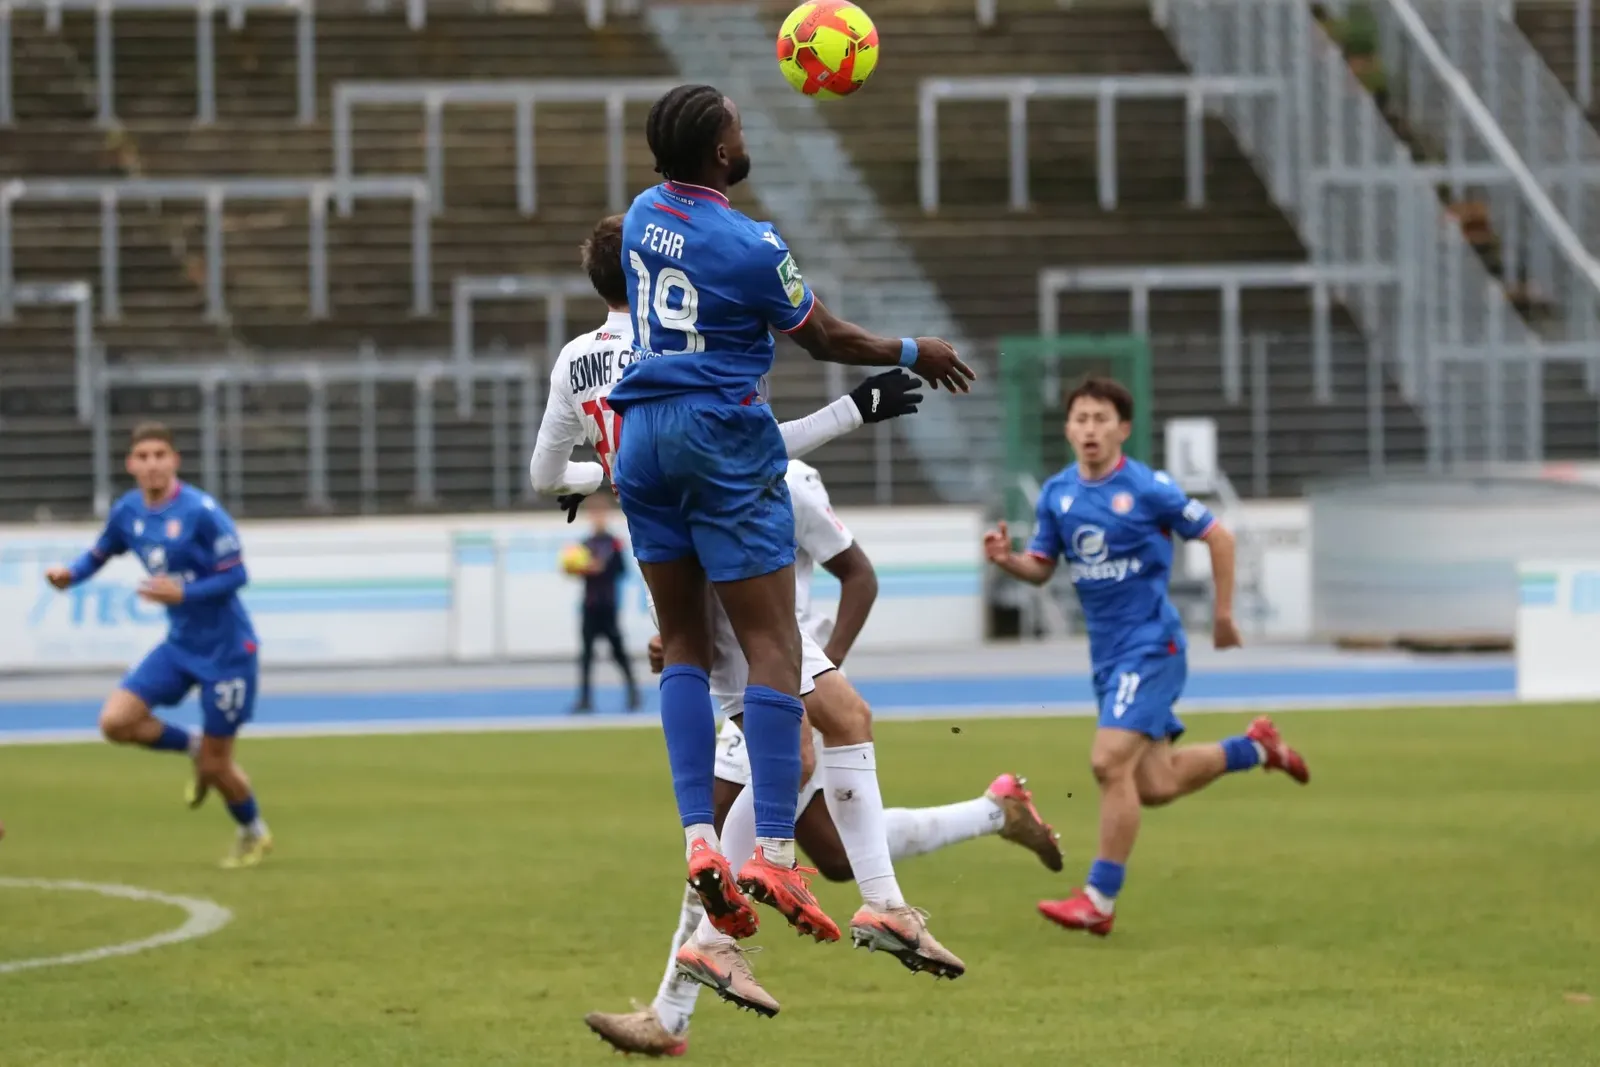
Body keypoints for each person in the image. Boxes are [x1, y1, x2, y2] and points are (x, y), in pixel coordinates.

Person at [597, 84, 975, 951]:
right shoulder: (752, 245)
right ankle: (772, 851)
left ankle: (701, 838)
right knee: (775, 646)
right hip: (720, 440)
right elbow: (826, 337)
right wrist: (913, 350)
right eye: (736, 125)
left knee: (682, 645)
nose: (745, 133)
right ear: (719, 152)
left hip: (641, 437)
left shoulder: (644, 214)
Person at [585, 460, 1064, 1056]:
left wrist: (819, 679)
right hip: (755, 672)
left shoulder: (786, 477)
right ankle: (994, 813)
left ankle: (674, 1009)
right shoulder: (702, 466)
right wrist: (679, 642)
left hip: (783, 671)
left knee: (721, 839)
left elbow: (858, 574)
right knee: (830, 855)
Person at [982, 377, 1308, 937]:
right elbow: (1042, 568)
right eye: (1081, 419)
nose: (1090, 429)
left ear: (1123, 429)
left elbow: (1220, 537)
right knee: (1154, 785)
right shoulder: (1057, 494)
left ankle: (1098, 900)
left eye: (1101, 419)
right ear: (1068, 429)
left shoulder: (1148, 487)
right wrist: (1009, 561)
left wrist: (1224, 616)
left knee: (1109, 763)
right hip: (1108, 658)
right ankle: (1257, 748)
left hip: (1153, 645)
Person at [44, 422, 271, 869]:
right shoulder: (128, 511)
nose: (152, 464)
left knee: (217, 768)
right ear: (131, 464)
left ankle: (253, 832)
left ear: (174, 461)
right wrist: (71, 575)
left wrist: (184, 593)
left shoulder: (201, 511)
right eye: (143, 456)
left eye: (160, 455)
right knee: (116, 722)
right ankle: (192, 745)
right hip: (180, 646)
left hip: (228, 653)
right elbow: (101, 552)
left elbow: (237, 575)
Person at [570, 496, 639, 714]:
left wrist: (602, 568)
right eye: (594, 514)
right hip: (590, 606)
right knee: (586, 656)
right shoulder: (584, 545)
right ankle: (585, 699)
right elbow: (576, 569)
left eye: (600, 514)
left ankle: (633, 693)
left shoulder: (614, 543)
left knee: (618, 652)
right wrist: (577, 569)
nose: (597, 518)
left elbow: (622, 570)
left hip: (608, 606)